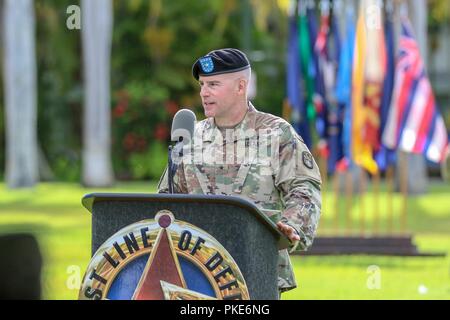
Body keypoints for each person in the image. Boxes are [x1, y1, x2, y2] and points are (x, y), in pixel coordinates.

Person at [158, 48, 322, 296]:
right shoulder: (190, 136)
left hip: (255, 269)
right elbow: (165, 198)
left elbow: (304, 189)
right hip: (192, 271)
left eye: (213, 84)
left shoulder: (275, 133)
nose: (204, 92)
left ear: (240, 86)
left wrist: (292, 225)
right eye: (202, 84)